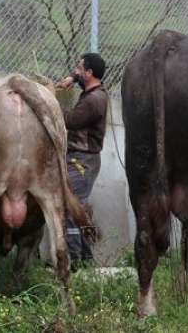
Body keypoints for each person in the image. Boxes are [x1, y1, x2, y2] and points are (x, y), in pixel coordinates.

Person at [54, 53, 108, 268]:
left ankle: (74, 261)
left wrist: (49, 100)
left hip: (83, 161)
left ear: (90, 73)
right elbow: (79, 76)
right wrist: (72, 78)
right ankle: (85, 259)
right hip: (82, 159)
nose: (76, 70)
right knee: (79, 208)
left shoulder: (94, 101)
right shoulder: (94, 91)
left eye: (79, 68)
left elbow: (71, 121)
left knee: (69, 207)